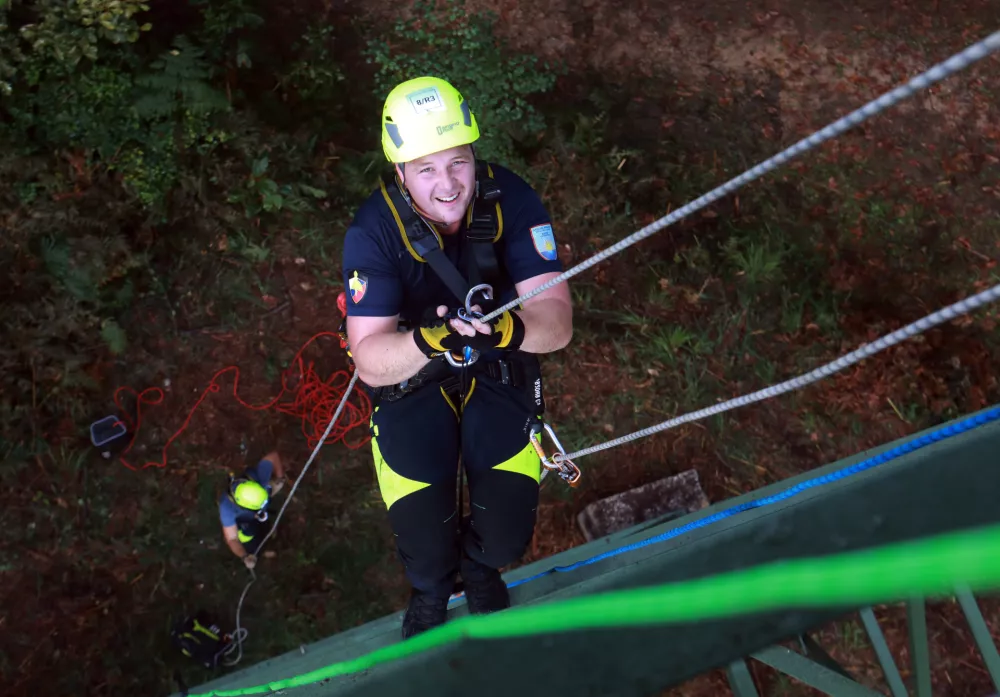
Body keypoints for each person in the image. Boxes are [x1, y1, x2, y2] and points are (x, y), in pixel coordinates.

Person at [342, 76, 573, 638]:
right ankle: (432, 587)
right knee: (421, 530)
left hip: (500, 359)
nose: (447, 185)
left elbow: (557, 325)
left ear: (474, 155)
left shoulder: (512, 200)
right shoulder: (374, 231)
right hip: (413, 372)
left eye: (458, 162)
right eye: (425, 169)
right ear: (399, 173)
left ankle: (479, 565)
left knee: (507, 531)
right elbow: (370, 360)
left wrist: (503, 332)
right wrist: (431, 342)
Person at [219, 450, 287, 569]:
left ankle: (268, 531)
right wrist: (244, 556)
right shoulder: (227, 509)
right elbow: (232, 538)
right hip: (245, 522)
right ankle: (261, 549)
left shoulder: (256, 479)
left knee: (263, 524)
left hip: (256, 513)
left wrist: (280, 478)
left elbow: (273, 456)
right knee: (249, 538)